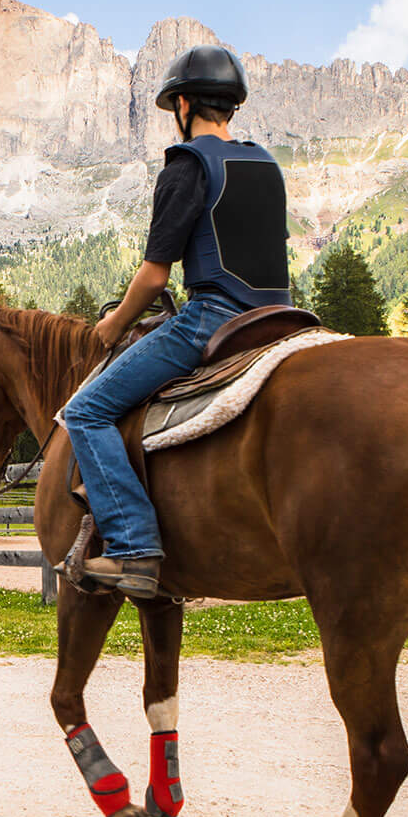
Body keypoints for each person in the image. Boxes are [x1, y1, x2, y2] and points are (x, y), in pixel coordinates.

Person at [63, 43, 292, 598]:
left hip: (215, 318)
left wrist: (113, 325)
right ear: (231, 107)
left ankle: (134, 547)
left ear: (183, 104)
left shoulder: (187, 165)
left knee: (86, 411)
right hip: (283, 318)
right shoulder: (266, 164)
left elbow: (154, 278)